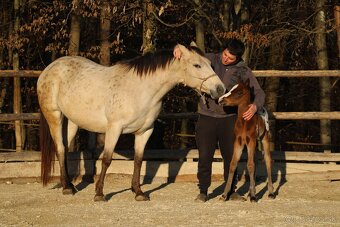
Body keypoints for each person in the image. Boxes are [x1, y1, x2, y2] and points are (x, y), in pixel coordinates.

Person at [174, 39, 265, 202]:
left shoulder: (243, 70)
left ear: (237, 58)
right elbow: (188, 55)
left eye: (230, 58)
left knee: (231, 156)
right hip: (206, 116)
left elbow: (259, 92)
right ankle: (203, 190)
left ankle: (231, 190)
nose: (225, 59)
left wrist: (255, 107)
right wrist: (177, 49)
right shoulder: (209, 59)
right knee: (205, 155)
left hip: (229, 119)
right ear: (223, 50)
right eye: (225, 54)